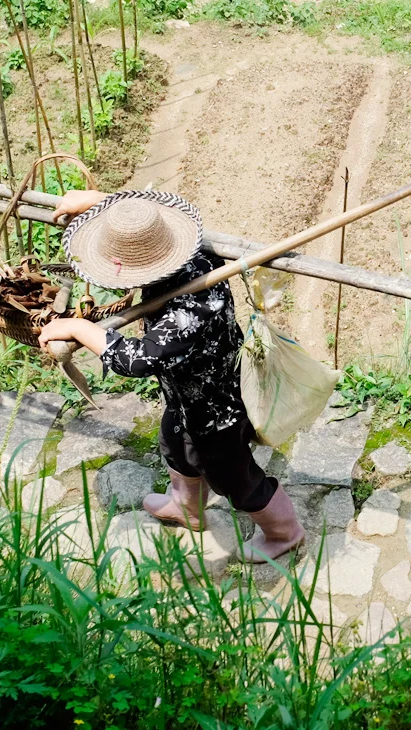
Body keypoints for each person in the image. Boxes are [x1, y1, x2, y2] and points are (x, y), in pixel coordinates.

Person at [37, 189, 305, 562]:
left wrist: (81, 329)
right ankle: (187, 509)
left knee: (232, 477)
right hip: (184, 396)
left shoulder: (188, 313)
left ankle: (284, 532)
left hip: (218, 409)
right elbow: (151, 218)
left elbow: (136, 360)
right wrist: (101, 202)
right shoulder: (193, 252)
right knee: (175, 447)